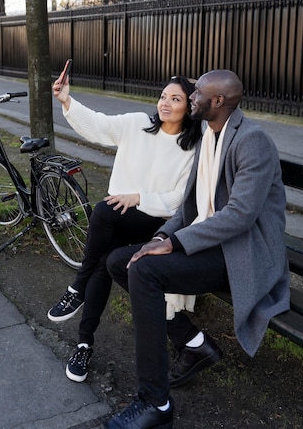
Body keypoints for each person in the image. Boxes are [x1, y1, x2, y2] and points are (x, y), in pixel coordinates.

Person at [105, 69, 290, 429]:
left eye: (198, 93)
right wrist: (161, 237)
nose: (191, 97)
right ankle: (191, 342)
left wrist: (175, 242)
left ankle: (155, 403)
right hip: (212, 241)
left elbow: (239, 216)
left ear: (218, 101)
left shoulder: (252, 141)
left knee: (144, 270)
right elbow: (189, 206)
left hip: (243, 252)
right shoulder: (210, 134)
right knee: (119, 261)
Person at [48, 74, 203, 383]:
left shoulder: (192, 149)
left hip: (155, 225)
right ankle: (84, 343)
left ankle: (77, 286)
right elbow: (98, 125)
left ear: (189, 108)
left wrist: (138, 198)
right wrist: (66, 99)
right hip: (119, 221)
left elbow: (178, 200)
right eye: (163, 96)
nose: (165, 103)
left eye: (176, 99)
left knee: (103, 211)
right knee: (104, 263)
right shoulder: (137, 125)